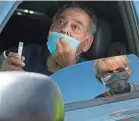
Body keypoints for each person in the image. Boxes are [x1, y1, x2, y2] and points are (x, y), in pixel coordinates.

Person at [0, 2, 97, 75]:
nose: (64, 29)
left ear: (87, 43)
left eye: (75, 27)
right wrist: (3, 73)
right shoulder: (26, 54)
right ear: (50, 30)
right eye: (60, 22)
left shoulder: (91, 73)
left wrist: (69, 68)